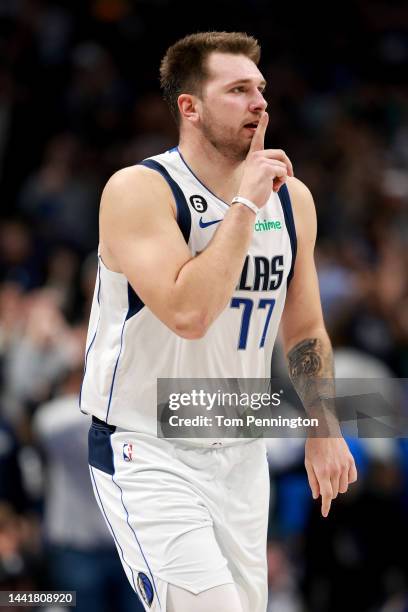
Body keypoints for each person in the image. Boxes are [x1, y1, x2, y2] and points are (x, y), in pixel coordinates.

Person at [80, 31, 358, 612]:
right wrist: (246, 205)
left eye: (260, 89)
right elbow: (189, 312)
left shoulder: (292, 200)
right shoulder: (140, 190)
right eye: (238, 90)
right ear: (191, 107)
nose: (260, 102)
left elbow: (305, 328)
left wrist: (325, 425)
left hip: (239, 451)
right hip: (147, 447)